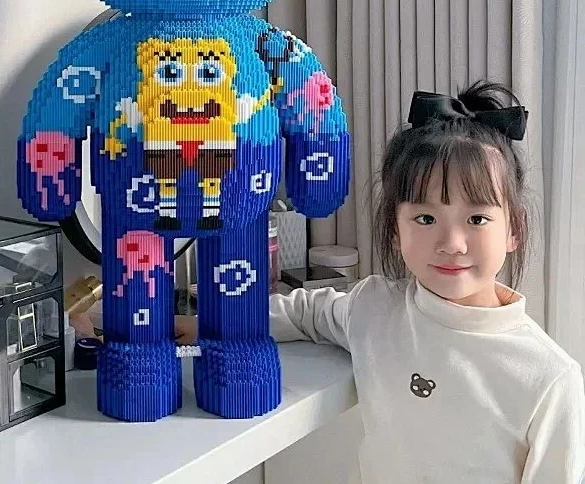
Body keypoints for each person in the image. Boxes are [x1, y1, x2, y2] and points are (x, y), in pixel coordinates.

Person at [175, 80, 585, 483]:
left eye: (477, 219)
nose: (451, 243)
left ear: (513, 229)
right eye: (425, 218)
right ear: (394, 229)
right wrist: (208, 322)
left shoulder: (549, 379)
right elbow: (305, 312)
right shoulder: (374, 307)